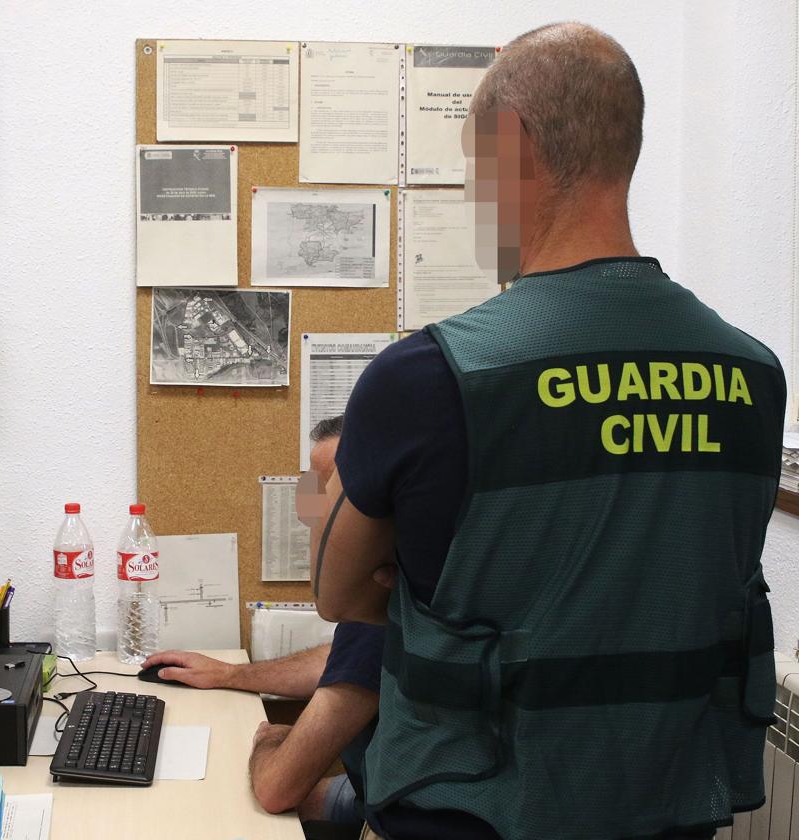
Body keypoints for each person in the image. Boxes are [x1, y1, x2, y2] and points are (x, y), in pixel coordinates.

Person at [311, 22, 785, 840]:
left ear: (513, 144)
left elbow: (340, 594)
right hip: (667, 812)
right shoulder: (754, 374)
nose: (472, 197)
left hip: (471, 814)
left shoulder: (428, 374)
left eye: (473, 169)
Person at [143, 416, 384, 837]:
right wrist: (229, 674)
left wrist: (270, 741)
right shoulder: (387, 601)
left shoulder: (384, 612)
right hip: (373, 788)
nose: (316, 518)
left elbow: (276, 789)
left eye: (330, 495)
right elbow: (337, 661)